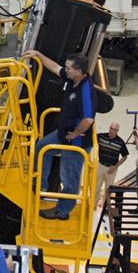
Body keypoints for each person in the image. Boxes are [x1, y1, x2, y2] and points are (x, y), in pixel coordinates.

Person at [21, 49, 95, 220]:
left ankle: (62, 211)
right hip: (62, 133)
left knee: (68, 178)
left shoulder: (86, 90)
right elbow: (55, 67)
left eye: (69, 68)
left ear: (79, 71)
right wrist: (38, 54)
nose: (65, 70)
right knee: (42, 147)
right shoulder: (72, 78)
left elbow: (88, 120)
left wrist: (74, 134)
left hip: (76, 142)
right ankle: (41, 185)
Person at [95, 122, 129, 207]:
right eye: (111, 128)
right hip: (100, 165)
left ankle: (105, 208)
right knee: (96, 187)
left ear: (117, 131)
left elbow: (125, 156)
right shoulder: (101, 136)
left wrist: (115, 166)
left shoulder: (120, 142)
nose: (111, 131)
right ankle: (93, 205)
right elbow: (91, 138)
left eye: (114, 129)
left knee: (108, 189)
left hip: (111, 168)